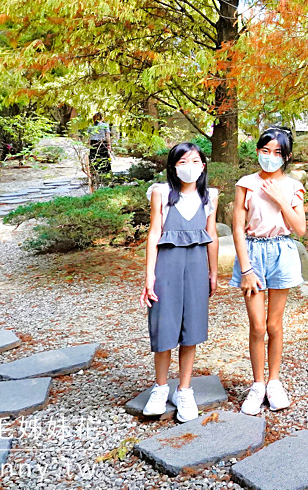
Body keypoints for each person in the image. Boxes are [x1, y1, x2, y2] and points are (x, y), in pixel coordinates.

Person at [139, 142, 220, 421]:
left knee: (192, 328)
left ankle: (184, 389)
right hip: (167, 267)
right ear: (173, 167)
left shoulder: (210, 196)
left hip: (197, 267)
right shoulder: (161, 193)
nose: (190, 167)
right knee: (164, 326)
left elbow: (212, 236)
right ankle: (161, 388)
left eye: (195, 161)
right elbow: (153, 234)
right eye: (183, 162)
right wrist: (149, 275)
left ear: (203, 165)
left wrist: (213, 272)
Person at [231, 127, 306, 415]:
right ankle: (257, 384)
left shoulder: (293, 186)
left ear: (286, 157)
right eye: (265, 151)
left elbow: (299, 228)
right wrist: (246, 268)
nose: (270, 157)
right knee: (257, 326)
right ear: (258, 151)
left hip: (282, 253)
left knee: (274, 325)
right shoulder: (246, 183)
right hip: (253, 253)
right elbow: (237, 227)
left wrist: (280, 199)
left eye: (277, 153)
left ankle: (274, 382)